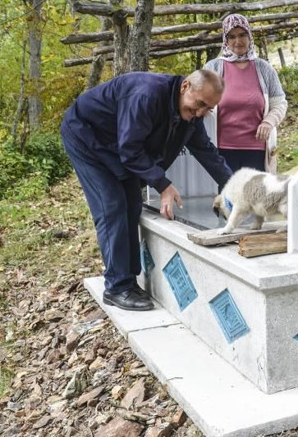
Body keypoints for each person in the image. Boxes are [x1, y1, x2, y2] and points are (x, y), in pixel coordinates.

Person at [60, 69, 233, 311]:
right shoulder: (146, 95)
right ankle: (117, 287)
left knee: (132, 204)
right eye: (200, 104)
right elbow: (130, 150)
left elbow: (206, 151)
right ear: (185, 87)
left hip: (117, 145)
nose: (201, 113)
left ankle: (128, 280)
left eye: (208, 109)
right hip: (87, 137)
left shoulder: (191, 115)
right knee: (112, 205)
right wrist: (162, 184)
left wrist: (235, 187)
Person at [204, 13, 287, 173]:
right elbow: (199, 100)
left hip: (257, 150)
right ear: (226, 41)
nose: (238, 41)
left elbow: (280, 103)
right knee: (226, 197)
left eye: (242, 35)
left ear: (250, 36)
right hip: (221, 150)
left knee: (256, 196)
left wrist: (268, 122)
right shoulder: (213, 68)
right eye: (232, 36)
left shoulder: (264, 68)